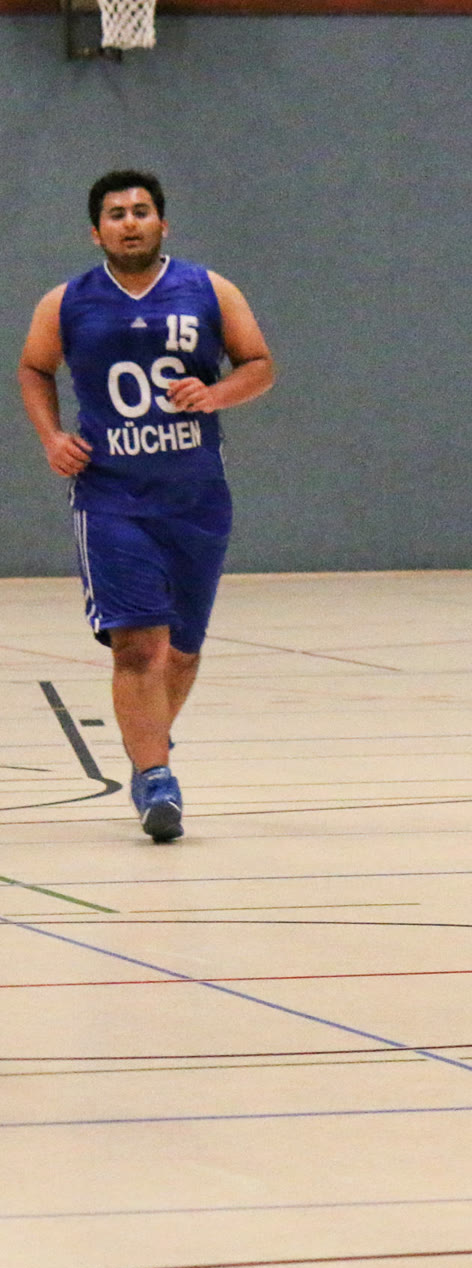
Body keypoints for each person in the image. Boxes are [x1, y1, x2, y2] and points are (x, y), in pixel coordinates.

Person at [16, 169, 276, 843]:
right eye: (115, 213)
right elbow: (34, 367)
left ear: (162, 223)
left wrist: (214, 395)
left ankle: (146, 752)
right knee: (137, 646)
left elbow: (259, 365)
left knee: (181, 653)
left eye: (140, 211)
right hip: (110, 496)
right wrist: (52, 437)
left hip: (195, 497)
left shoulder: (210, 290)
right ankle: (157, 778)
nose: (129, 222)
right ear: (95, 230)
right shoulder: (66, 302)